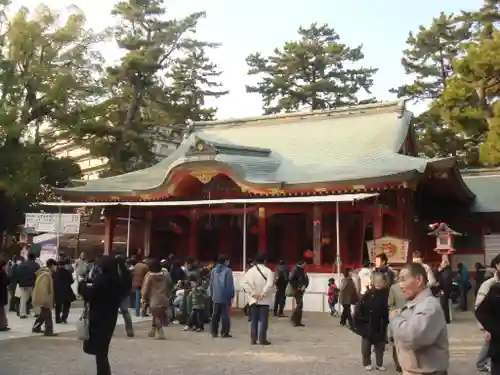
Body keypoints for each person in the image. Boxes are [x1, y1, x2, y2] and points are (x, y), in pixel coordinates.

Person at [390, 263, 449, 375]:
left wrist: (395, 319)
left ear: (418, 280)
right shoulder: (415, 304)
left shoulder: (429, 306)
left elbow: (413, 337)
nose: (400, 285)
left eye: (403, 280)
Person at [79, 255, 131, 375]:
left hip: (99, 317)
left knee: (100, 351)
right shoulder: (117, 281)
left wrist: (82, 284)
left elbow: (89, 295)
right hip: (110, 317)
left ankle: (103, 372)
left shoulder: (103, 280)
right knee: (102, 350)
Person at [353, 272, 389, 371]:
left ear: (384, 282)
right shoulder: (367, 294)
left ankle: (379, 363)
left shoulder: (387, 294)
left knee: (380, 347)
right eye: (376, 281)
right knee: (366, 347)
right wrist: (362, 323)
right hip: (368, 325)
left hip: (381, 325)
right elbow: (358, 310)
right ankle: (367, 362)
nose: (378, 283)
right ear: (373, 282)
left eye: (380, 281)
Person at [475, 254, 500, 373]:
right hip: (495, 332)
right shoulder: (489, 285)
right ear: (497, 265)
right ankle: (480, 363)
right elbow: (479, 309)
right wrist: (485, 329)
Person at [242, 252, 274, 345]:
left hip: (253, 299)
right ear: (265, 260)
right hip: (265, 299)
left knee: (254, 320)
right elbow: (270, 284)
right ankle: (262, 339)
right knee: (264, 320)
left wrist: (253, 294)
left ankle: (253, 339)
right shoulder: (268, 271)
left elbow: (244, 283)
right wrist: (263, 294)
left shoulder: (250, 271)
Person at [141, 259, 170, 340]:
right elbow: (169, 285)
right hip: (164, 299)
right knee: (157, 315)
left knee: (156, 316)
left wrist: (143, 297)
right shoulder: (164, 275)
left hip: (154, 299)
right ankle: (153, 330)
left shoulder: (149, 276)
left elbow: (145, 289)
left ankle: (160, 332)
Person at [208, 254, 235, 338]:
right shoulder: (228, 271)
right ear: (226, 261)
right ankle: (224, 332)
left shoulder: (213, 271)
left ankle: (214, 332)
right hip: (225, 296)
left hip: (215, 296)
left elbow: (211, 284)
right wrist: (231, 296)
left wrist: (212, 294)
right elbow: (229, 285)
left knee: (215, 315)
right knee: (225, 315)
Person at [32, 258, 58, 336]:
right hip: (45, 298)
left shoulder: (44, 273)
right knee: (47, 315)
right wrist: (45, 300)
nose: (55, 268)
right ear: (52, 265)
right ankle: (48, 331)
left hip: (44, 298)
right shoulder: (46, 275)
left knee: (43, 314)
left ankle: (36, 327)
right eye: (55, 266)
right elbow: (43, 288)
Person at [388, 270, 406, 372]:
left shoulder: (413, 287)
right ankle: (398, 364)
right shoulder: (394, 288)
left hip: (410, 318)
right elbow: (390, 304)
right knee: (396, 342)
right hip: (398, 317)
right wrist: (394, 313)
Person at [15, 253, 40, 318]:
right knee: (35, 299)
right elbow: (38, 275)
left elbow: (17, 274)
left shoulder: (21, 264)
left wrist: (19, 282)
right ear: (34, 258)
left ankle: (22, 314)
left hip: (23, 285)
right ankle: (37, 312)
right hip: (32, 284)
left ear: (28, 257)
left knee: (23, 299)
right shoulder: (36, 265)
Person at [115, 255, 134, 338]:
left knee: (113, 313)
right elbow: (129, 283)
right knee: (125, 312)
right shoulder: (127, 271)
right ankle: (129, 330)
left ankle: (110, 330)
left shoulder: (114, 271)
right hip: (124, 294)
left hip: (116, 294)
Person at [53, 259, 76, 324]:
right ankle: (64, 318)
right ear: (65, 265)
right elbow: (71, 281)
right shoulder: (68, 272)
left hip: (58, 291)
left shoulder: (55, 273)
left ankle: (57, 319)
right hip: (67, 291)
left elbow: (53, 282)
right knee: (67, 305)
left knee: (58, 306)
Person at [289, 259, 309, 327]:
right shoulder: (295, 269)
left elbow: (306, 279)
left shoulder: (302, 270)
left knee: (300, 305)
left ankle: (295, 320)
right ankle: (295, 320)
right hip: (297, 290)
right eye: (305, 264)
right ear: (302, 263)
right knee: (300, 305)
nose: (305, 265)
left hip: (301, 289)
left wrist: (305, 285)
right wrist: (298, 287)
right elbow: (291, 279)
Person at [436, 259, 453, 324]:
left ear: (446, 264)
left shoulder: (446, 272)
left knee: (444, 305)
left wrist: (443, 290)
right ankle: (446, 319)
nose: (441, 265)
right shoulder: (446, 271)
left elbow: (444, 282)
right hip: (445, 290)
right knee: (444, 305)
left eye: (442, 263)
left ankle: (446, 319)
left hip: (444, 290)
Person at [0, 258, 9, 331]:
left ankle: (3, 325)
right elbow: (7, 282)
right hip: (1, 295)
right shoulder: (2, 273)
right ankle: (2, 326)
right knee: (1, 311)